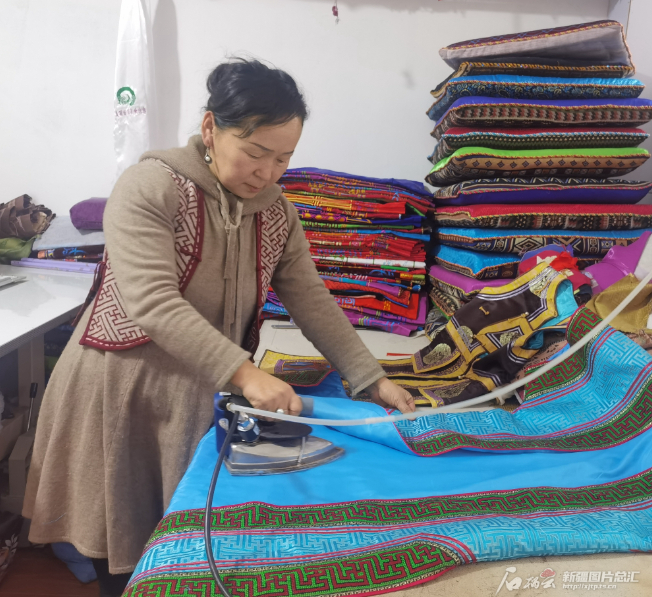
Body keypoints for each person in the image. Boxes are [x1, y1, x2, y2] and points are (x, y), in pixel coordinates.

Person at [22, 59, 415, 597]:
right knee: (124, 555)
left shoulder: (275, 214)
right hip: (121, 390)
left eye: (283, 158)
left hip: (195, 390)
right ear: (210, 128)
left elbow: (311, 299)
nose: (268, 172)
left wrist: (370, 378)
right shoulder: (150, 187)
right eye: (255, 152)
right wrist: (246, 374)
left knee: (185, 550)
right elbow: (152, 301)